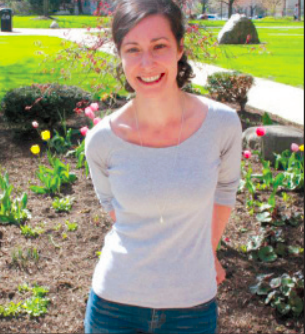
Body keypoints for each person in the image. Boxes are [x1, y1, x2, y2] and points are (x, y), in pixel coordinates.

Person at [83, 0, 242, 333]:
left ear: (180, 49)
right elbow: (115, 210)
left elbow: (225, 191)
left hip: (192, 309)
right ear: (120, 55)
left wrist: (206, 250)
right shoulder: (101, 141)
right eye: (133, 49)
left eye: (159, 46)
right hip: (114, 307)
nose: (147, 62)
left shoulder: (222, 124)